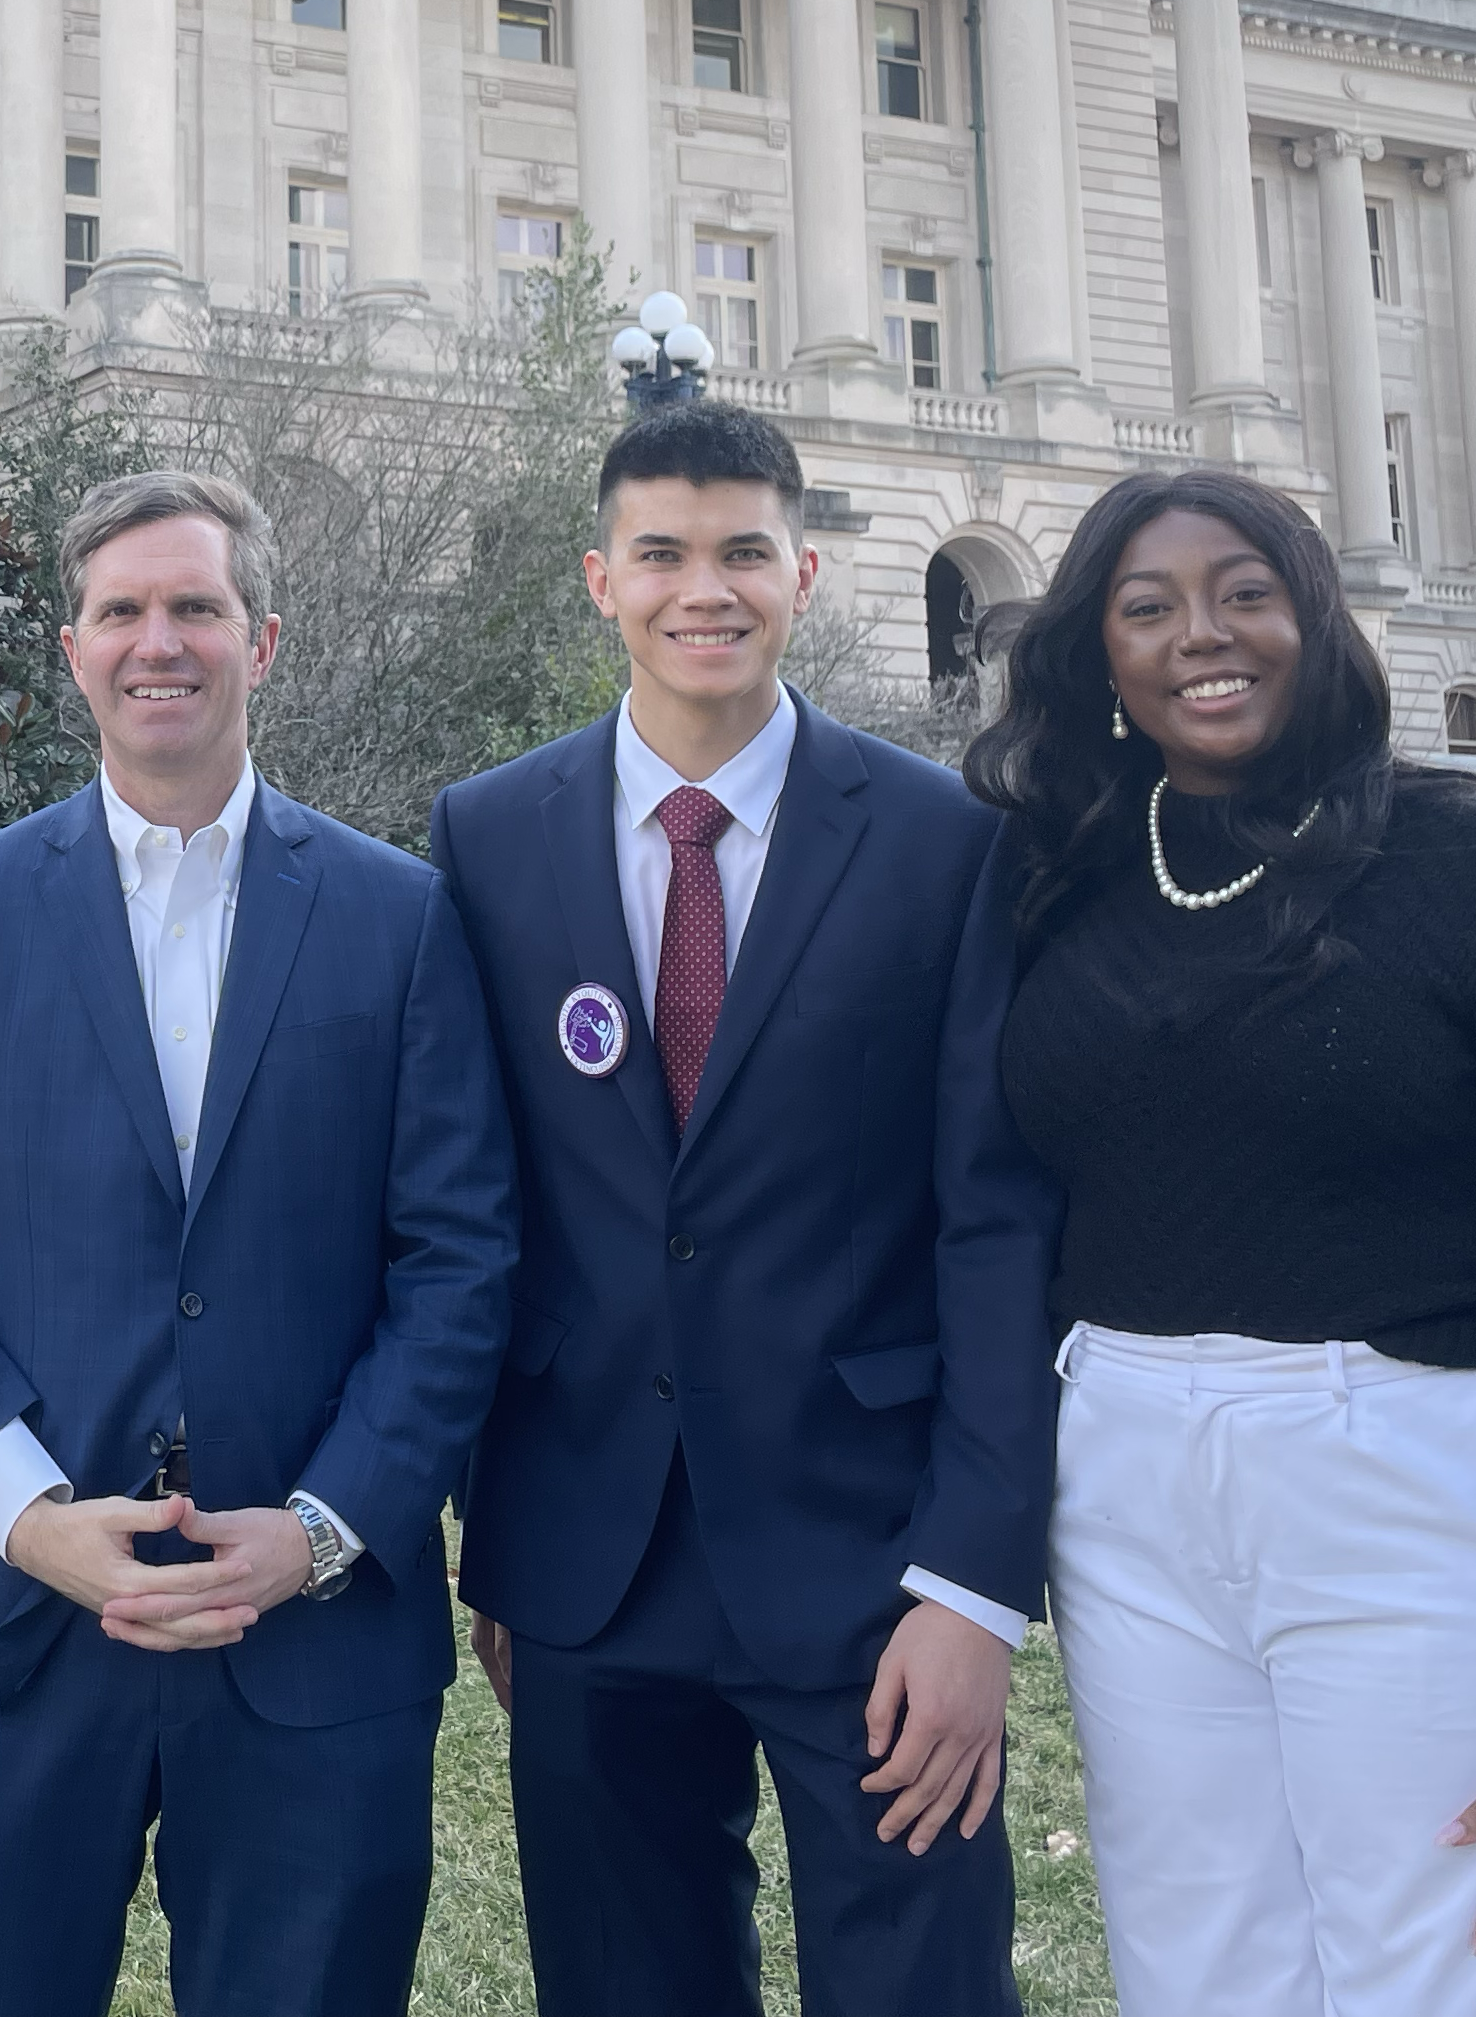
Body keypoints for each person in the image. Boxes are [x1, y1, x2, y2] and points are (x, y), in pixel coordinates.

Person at [971, 469, 1476, 2017]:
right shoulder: (1062, 876)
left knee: (1450, 1972)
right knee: (1198, 1973)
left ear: (1317, 613)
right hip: (1125, 1493)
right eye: (1148, 606)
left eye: (1245, 591)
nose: (1202, 637)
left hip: (1418, 1482)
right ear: (1096, 656)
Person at [0, 471, 515, 2017]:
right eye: (124, 610)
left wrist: (327, 1526)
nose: (162, 641)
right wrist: (26, 1514)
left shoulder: (398, 915)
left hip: (315, 1639)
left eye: (196, 606)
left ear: (263, 638)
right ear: (70, 649)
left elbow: (459, 1261)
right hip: (22, 1623)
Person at [428, 399, 1058, 2017]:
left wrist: (977, 1586)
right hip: (589, 1557)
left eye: (741, 552)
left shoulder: (943, 844)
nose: (701, 588)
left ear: (805, 570)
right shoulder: (488, 840)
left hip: (872, 1554)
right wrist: (494, 1545)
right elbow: (474, 1209)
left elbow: (994, 1221)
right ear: (599, 576)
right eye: (662, 553)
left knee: (917, 1986)